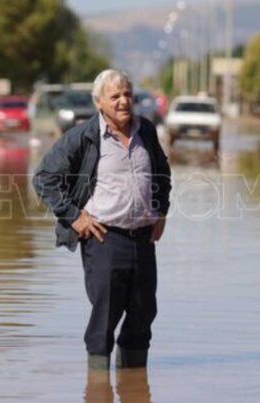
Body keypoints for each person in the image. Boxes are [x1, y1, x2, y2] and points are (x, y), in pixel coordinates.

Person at [33, 69, 172, 370]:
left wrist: (161, 211)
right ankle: (97, 387)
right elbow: (44, 177)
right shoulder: (83, 136)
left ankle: (133, 384)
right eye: (115, 96)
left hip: (144, 237)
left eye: (127, 94)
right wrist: (73, 216)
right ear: (99, 103)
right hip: (104, 238)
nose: (123, 101)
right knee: (105, 313)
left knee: (144, 310)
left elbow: (162, 172)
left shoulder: (145, 130)